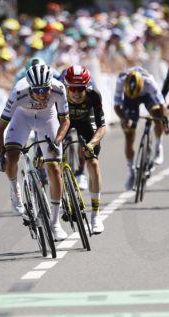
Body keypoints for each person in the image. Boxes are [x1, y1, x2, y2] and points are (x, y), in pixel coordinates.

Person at [0, 64, 70, 241]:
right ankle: (15, 189)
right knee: (12, 157)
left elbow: (65, 121)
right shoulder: (18, 92)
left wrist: (57, 140)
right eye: (38, 90)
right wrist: (0, 155)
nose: (43, 94)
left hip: (47, 118)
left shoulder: (59, 89)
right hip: (23, 118)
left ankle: (55, 222)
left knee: (54, 168)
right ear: (30, 87)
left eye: (46, 89)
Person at [63, 65, 106, 234]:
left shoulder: (93, 95)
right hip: (63, 122)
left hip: (85, 122)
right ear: (67, 86)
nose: (76, 92)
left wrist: (91, 144)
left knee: (93, 164)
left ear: (86, 87)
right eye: (72, 88)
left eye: (80, 88)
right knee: (51, 158)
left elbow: (102, 127)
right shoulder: (59, 93)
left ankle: (96, 215)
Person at [114, 66, 169, 191]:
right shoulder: (121, 80)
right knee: (128, 134)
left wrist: (165, 123)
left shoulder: (149, 82)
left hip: (147, 96)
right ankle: (131, 171)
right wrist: (124, 119)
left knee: (157, 114)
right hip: (129, 99)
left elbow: (163, 105)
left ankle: (158, 146)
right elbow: (117, 106)